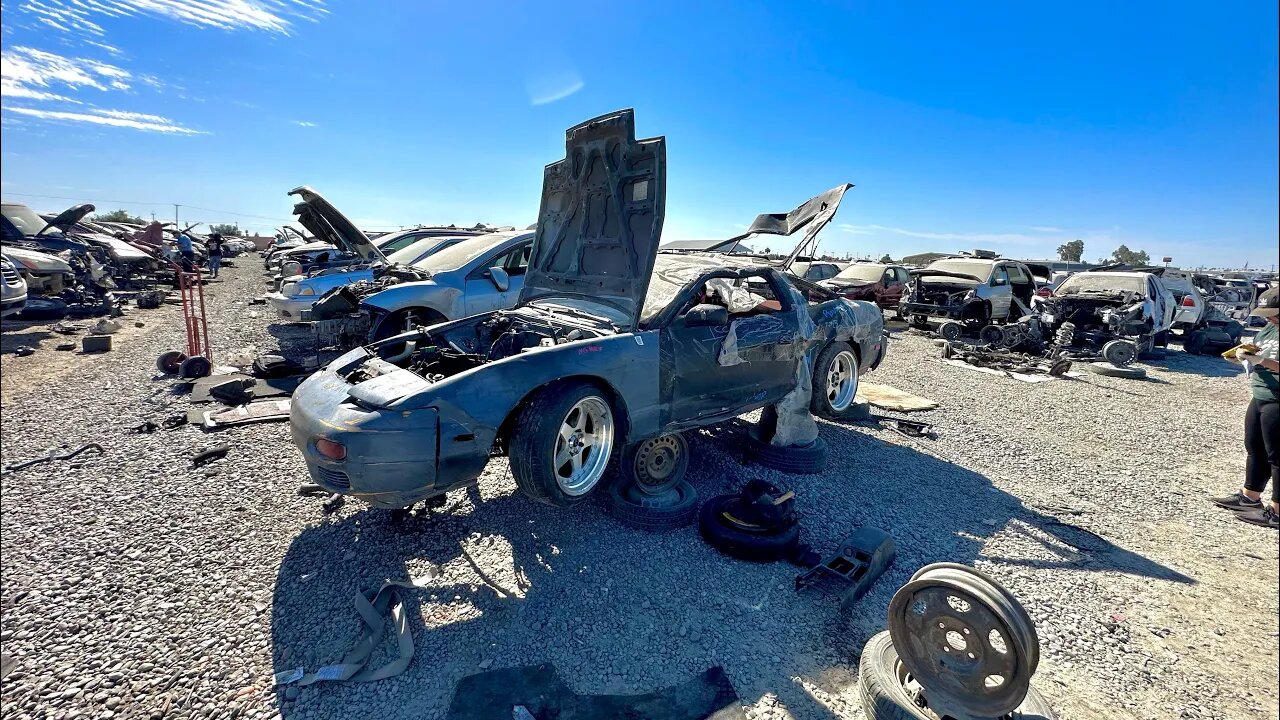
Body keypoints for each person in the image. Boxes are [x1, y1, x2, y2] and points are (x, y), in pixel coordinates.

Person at [1213, 287, 1280, 529]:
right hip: (1261, 393)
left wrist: (1262, 361)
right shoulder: (1270, 327)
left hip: (1278, 398)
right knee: (1255, 447)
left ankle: (1277, 511)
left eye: (1274, 314)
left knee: (1277, 456)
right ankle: (1249, 497)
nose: (1269, 318)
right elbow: (1261, 348)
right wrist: (1244, 354)